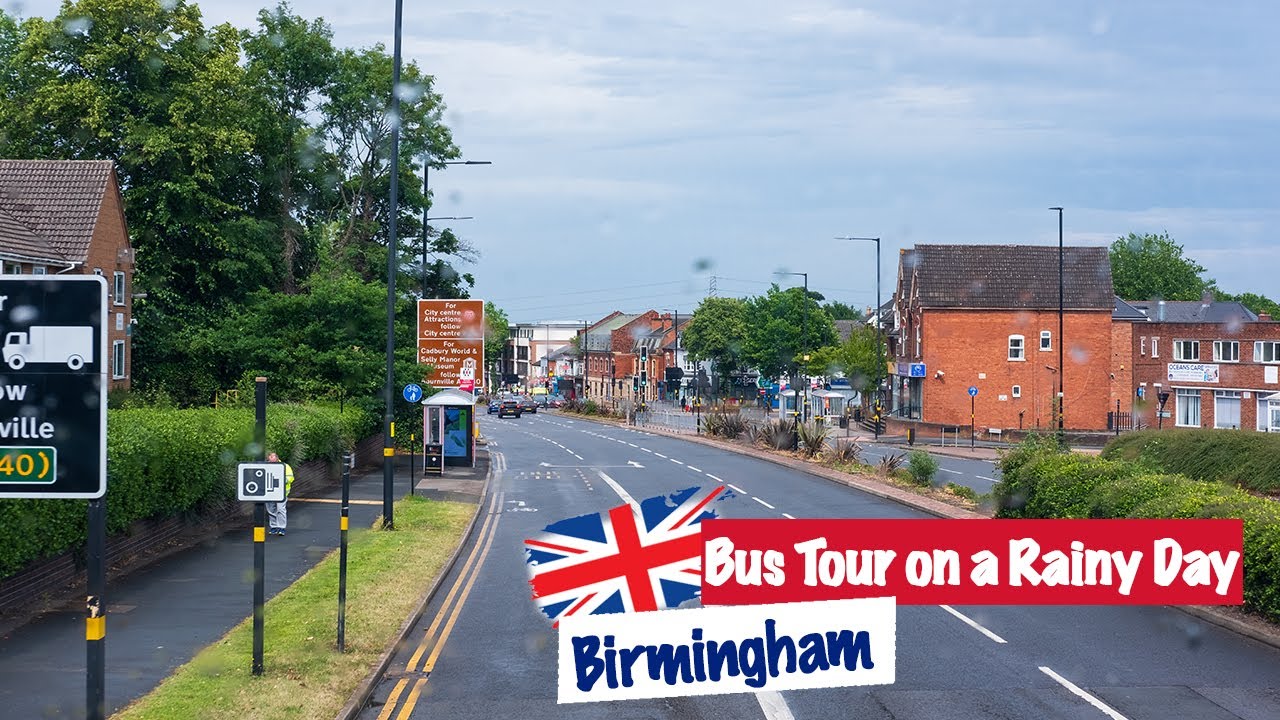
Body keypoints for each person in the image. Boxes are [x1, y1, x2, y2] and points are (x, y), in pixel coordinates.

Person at [266, 451, 295, 536]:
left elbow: (290, 477)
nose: (271, 461)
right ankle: (273, 527)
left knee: (280, 509)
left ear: (277, 458)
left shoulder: (285, 466)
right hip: (269, 492)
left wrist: (282, 480)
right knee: (271, 509)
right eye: (270, 460)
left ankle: (281, 528)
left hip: (282, 492)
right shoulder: (266, 466)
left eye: (273, 459)